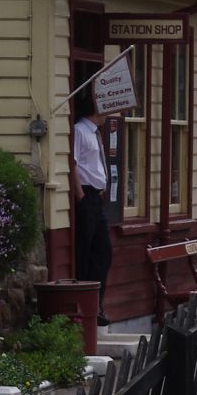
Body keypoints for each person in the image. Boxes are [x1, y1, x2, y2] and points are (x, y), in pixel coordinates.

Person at [72, 89, 113, 325]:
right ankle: (84, 307)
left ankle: (97, 303)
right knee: (85, 251)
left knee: (103, 252)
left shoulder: (94, 133)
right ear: (95, 109)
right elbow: (73, 163)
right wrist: (80, 196)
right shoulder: (80, 131)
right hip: (86, 195)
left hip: (97, 198)